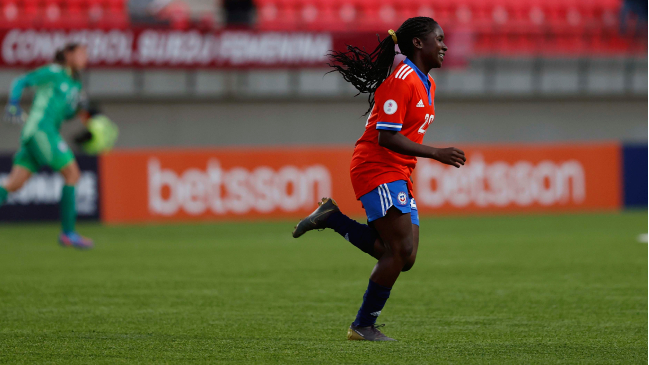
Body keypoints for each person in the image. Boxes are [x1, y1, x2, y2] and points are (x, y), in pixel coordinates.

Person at [292, 17, 466, 341]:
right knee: (398, 249)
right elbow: (386, 137)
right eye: (439, 39)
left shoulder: (426, 82)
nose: (444, 46)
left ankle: (332, 218)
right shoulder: (402, 80)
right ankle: (362, 326)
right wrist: (436, 153)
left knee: (406, 256)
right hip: (376, 165)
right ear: (418, 43)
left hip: (398, 171)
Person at [1, 43, 94, 249]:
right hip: (41, 130)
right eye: (81, 53)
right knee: (72, 174)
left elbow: (66, 113)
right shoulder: (54, 72)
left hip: (41, 133)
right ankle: (68, 234)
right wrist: (14, 103)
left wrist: (80, 107)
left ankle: (69, 234)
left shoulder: (75, 85)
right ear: (68, 55)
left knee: (13, 184)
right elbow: (21, 80)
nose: (85, 58)